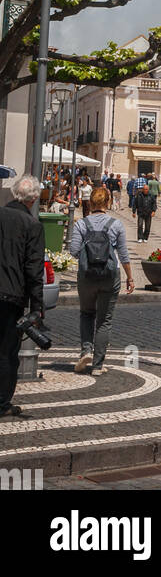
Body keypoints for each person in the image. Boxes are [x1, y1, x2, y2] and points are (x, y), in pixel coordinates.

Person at [68, 185, 135, 375]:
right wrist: (130, 278)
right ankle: (97, 366)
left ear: (90, 203)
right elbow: (123, 254)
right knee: (104, 321)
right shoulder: (116, 224)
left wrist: (88, 252)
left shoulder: (82, 224)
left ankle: (86, 351)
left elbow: (73, 251)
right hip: (109, 276)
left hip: (87, 276)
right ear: (108, 202)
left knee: (86, 313)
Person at [0, 174, 45, 419]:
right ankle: (2, 404)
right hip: (10, 296)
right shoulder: (33, 226)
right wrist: (37, 308)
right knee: (6, 352)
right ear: (34, 198)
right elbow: (34, 269)